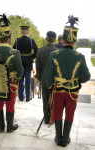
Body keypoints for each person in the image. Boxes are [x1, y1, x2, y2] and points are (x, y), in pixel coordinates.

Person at [44, 15, 91, 147]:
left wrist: (50, 85)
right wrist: (77, 81)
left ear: (63, 41)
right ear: (74, 41)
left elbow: (48, 75)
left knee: (58, 111)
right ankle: (66, 139)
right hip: (73, 92)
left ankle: (58, 138)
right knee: (70, 113)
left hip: (58, 90)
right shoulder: (80, 56)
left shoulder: (54, 54)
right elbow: (86, 76)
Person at [0, 14, 24, 133]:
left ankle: (1, 126)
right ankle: (10, 127)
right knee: (10, 104)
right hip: (11, 82)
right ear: (9, 38)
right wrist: (17, 77)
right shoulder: (15, 52)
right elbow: (20, 71)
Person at [36, 31, 57, 124]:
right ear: (55, 39)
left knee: (45, 100)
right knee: (54, 99)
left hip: (44, 79)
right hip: (55, 80)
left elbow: (38, 67)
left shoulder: (40, 51)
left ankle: (46, 118)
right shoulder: (58, 51)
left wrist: (39, 79)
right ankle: (52, 117)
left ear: (46, 39)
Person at [13, 26, 38, 102]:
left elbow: (13, 50)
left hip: (19, 60)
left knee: (20, 78)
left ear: (21, 32)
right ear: (27, 32)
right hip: (28, 60)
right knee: (27, 79)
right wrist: (32, 56)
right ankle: (27, 97)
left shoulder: (17, 40)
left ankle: (20, 97)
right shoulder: (31, 40)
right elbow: (36, 49)